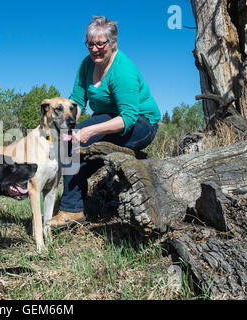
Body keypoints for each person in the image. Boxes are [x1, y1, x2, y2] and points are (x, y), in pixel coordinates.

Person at [49, 16, 161, 228]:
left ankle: (71, 208)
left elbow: (127, 117)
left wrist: (88, 132)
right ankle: (74, 211)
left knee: (80, 140)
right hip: (109, 119)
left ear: (113, 43)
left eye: (101, 43)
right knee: (72, 144)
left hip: (141, 124)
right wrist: (67, 125)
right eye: (90, 44)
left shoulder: (122, 70)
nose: (95, 49)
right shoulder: (86, 64)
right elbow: (78, 100)